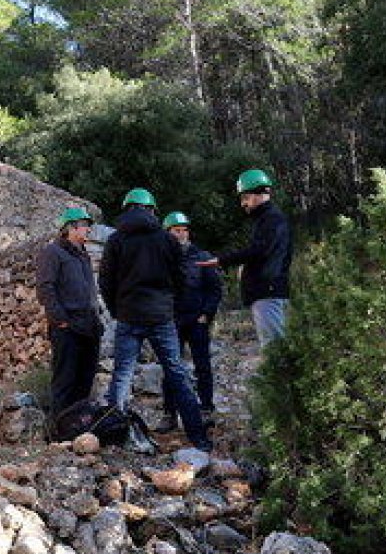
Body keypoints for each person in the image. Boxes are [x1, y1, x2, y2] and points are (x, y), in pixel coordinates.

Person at [99, 188, 212, 451]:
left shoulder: (116, 240)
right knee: (177, 373)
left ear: (127, 209)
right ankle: (198, 437)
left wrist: (117, 310)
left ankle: (115, 438)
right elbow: (181, 278)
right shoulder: (166, 239)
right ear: (151, 210)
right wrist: (171, 306)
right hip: (161, 315)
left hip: (128, 315)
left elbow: (105, 281)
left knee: (122, 375)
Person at [197, 169, 292, 348]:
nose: (243, 204)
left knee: (274, 349)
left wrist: (222, 260)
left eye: (245, 197)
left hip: (268, 292)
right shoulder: (268, 219)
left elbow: (258, 251)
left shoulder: (271, 219)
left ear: (260, 194)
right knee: (276, 346)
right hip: (269, 291)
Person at [35, 206, 103, 419]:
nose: (88, 230)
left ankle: (78, 427)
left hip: (89, 326)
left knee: (85, 381)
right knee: (64, 382)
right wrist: (60, 320)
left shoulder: (83, 255)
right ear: (70, 228)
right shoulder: (52, 252)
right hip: (67, 328)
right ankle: (59, 428)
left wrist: (96, 317)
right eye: (84, 225)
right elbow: (45, 288)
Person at [161, 211, 223, 422]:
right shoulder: (161, 260)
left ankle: (206, 410)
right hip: (171, 322)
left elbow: (214, 289)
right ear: (167, 233)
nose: (181, 234)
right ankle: (169, 414)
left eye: (184, 230)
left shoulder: (202, 257)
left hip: (197, 320)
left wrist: (206, 314)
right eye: (176, 230)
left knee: (202, 366)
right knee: (170, 369)